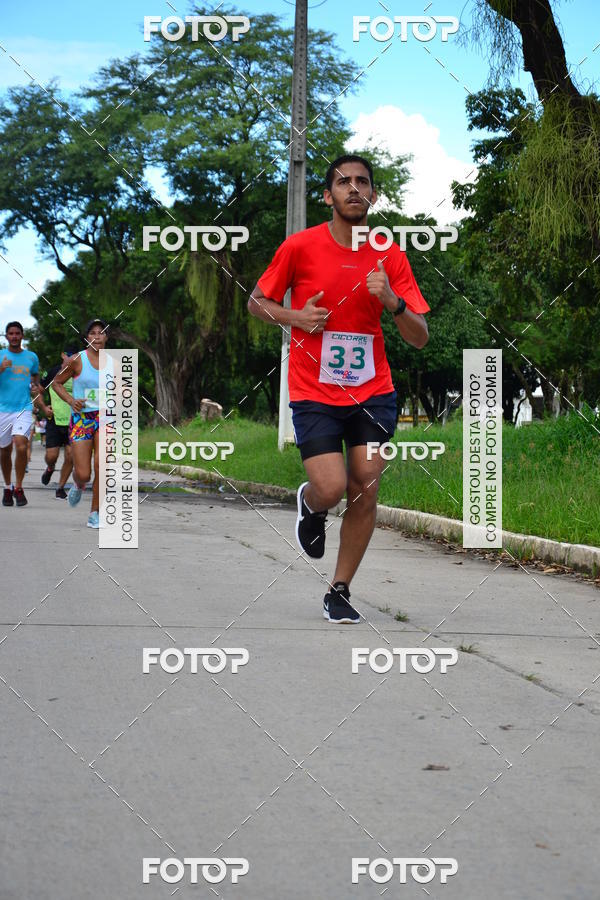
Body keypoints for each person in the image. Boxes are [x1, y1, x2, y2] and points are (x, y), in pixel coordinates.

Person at [249, 155, 430, 623]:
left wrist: (392, 301)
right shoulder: (300, 247)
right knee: (331, 487)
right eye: (343, 182)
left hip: (372, 391)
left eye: (363, 183)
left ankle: (340, 589)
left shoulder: (391, 253)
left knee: (364, 488)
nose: (354, 189)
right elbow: (257, 303)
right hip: (314, 390)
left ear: (374, 196)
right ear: (327, 196)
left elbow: (419, 335)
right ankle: (310, 505)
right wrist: (295, 317)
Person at [51, 320, 108, 528]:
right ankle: (78, 483)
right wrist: (70, 401)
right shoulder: (77, 360)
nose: (97, 336)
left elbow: (124, 390)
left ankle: (95, 514)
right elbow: (56, 383)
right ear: (87, 338)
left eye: (101, 333)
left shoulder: (115, 363)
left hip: (105, 418)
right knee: (84, 473)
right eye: (92, 333)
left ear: (106, 338)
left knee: (102, 465)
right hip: (82, 419)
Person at [0, 321, 46, 507]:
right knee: (4, 451)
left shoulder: (31, 357)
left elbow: (35, 377)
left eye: (17, 333)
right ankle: (7, 486)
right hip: (2, 409)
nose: (14, 336)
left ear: (22, 336)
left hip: (23, 408)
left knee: (20, 445)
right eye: (10, 333)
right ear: (6, 336)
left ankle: (19, 487)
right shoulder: (1, 355)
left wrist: (36, 386)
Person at [40, 348, 77, 499]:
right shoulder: (53, 372)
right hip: (54, 420)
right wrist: (43, 407)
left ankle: (60, 487)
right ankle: (50, 468)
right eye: (68, 356)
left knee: (70, 456)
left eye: (74, 357)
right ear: (62, 355)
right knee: (51, 456)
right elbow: (38, 391)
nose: (70, 360)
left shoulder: (79, 374)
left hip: (74, 421)